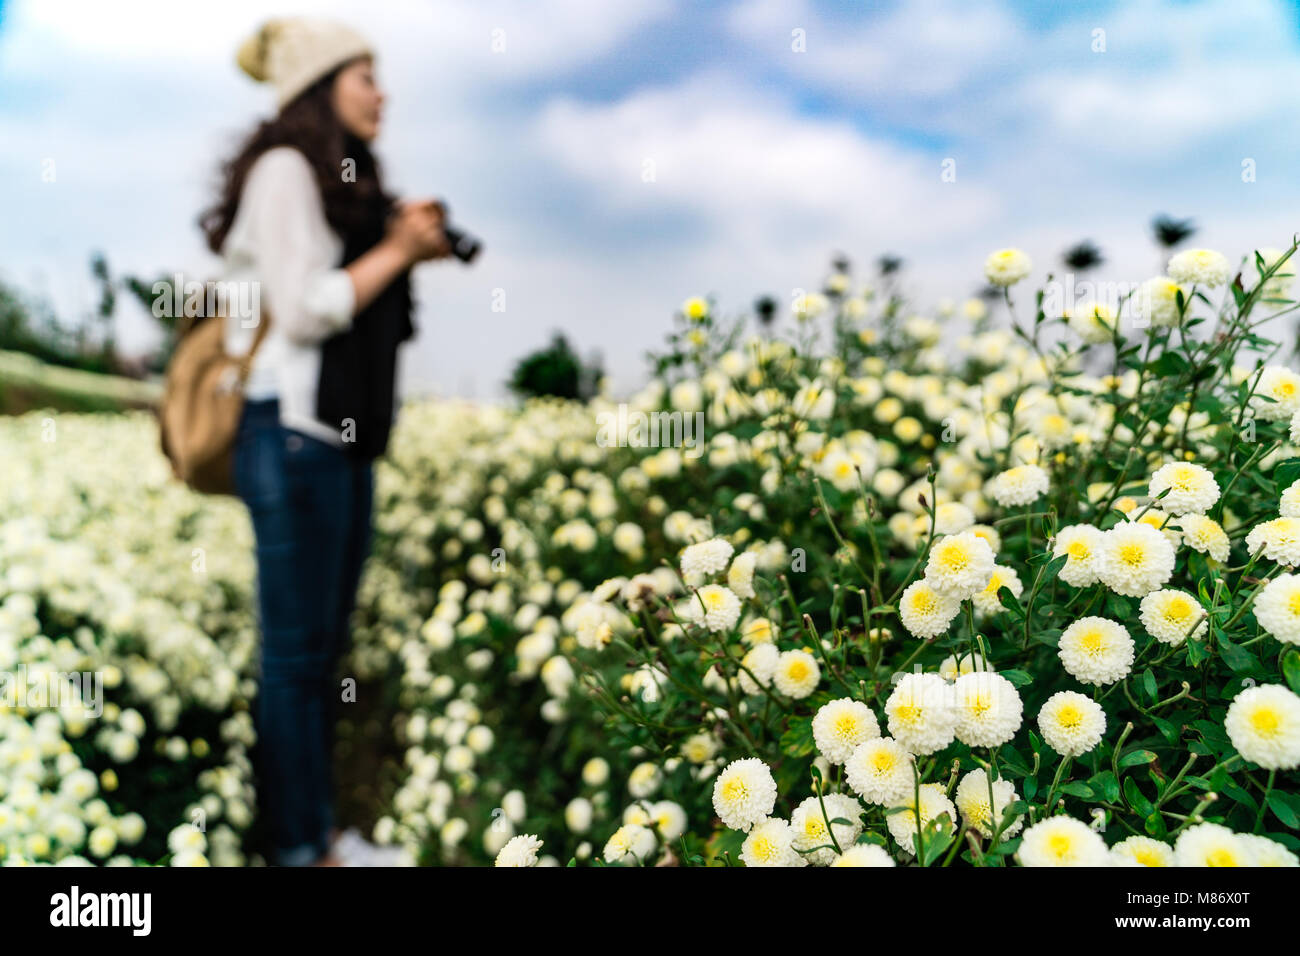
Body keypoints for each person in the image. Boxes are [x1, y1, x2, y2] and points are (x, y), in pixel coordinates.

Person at [199, 17, 449, 866]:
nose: (383, 93)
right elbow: (303, 308)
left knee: (316, 656)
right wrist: (397, 251)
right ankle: (305, 848)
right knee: (297, 661)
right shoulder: (281, 170)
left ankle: (316, 836)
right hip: (291, 431)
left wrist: (406, 246)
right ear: (320, 85)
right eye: (366, 75)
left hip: (331, 438)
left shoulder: (335, 177)